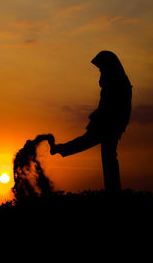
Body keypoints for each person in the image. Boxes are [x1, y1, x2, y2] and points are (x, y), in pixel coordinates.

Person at [46, 51, 132, 193]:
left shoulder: (117, 83)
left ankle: (59, 149)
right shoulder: (117, 82)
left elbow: (116, 106)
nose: (100, 71)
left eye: (101, 68)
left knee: (104, 153)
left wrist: (106, 120)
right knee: (106, 155)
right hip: (109, 122)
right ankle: (59, 149)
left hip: (109, 123)